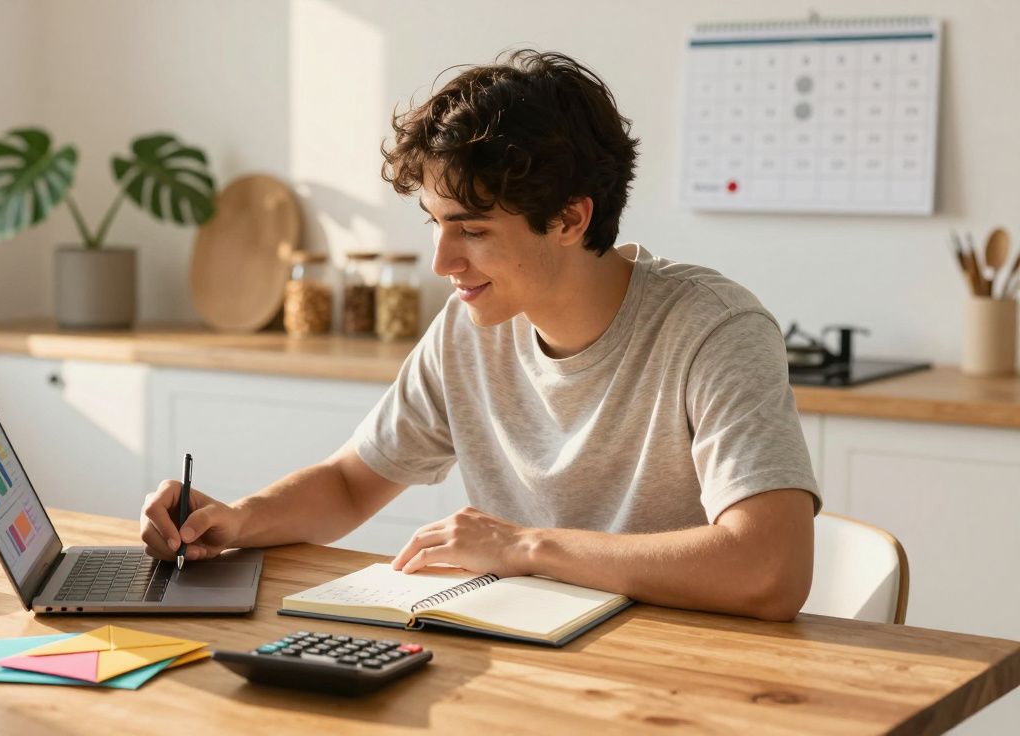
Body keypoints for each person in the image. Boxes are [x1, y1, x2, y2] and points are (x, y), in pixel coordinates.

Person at [140, 49, 821, 622]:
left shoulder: (712, 330)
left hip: (679, 674)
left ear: (570, 219)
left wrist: (525, 547)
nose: (443, 262)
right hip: (524, 660)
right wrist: (237, 521)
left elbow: (770, 569)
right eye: (436, 224)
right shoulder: (469, 329)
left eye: (472, 230)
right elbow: (349, 484)